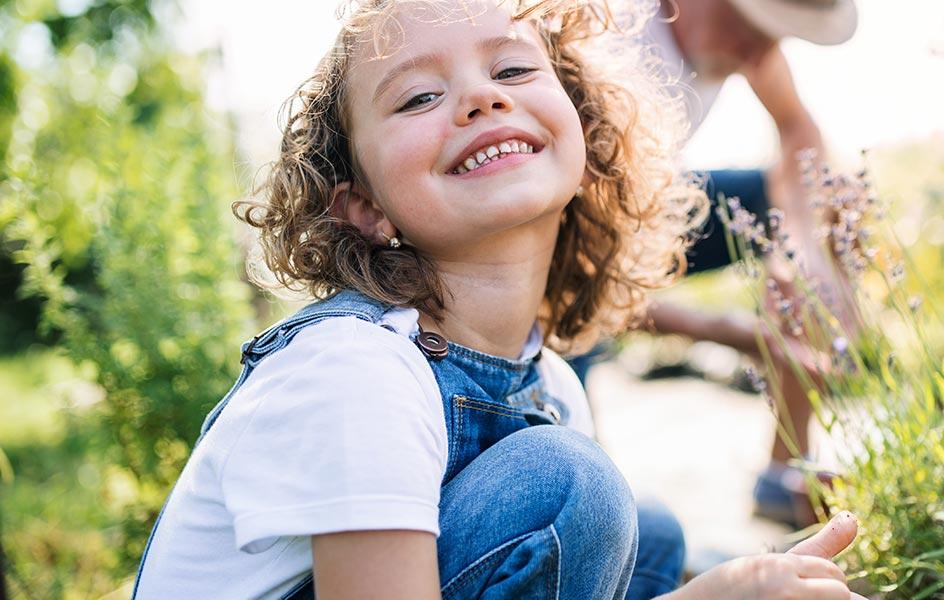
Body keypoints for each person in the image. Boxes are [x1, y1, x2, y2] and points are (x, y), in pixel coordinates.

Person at [130, 0, 863, 597]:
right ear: (363, 206)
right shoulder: (357, 371)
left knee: (646, 534)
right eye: (420, 96)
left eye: (512, 69)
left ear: (588, 131)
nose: (483, 95)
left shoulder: (549, 385)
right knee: (566, 488)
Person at [638, 0, 861, 530]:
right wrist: (735, 332)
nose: (764, 49)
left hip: (653, 206)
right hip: (578, 243)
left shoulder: (748, 44)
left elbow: (798, 130)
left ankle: (784, 470)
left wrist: (798, 248)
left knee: (843, 199)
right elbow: (560, 277)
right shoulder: (614, 44)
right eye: (753, 25)